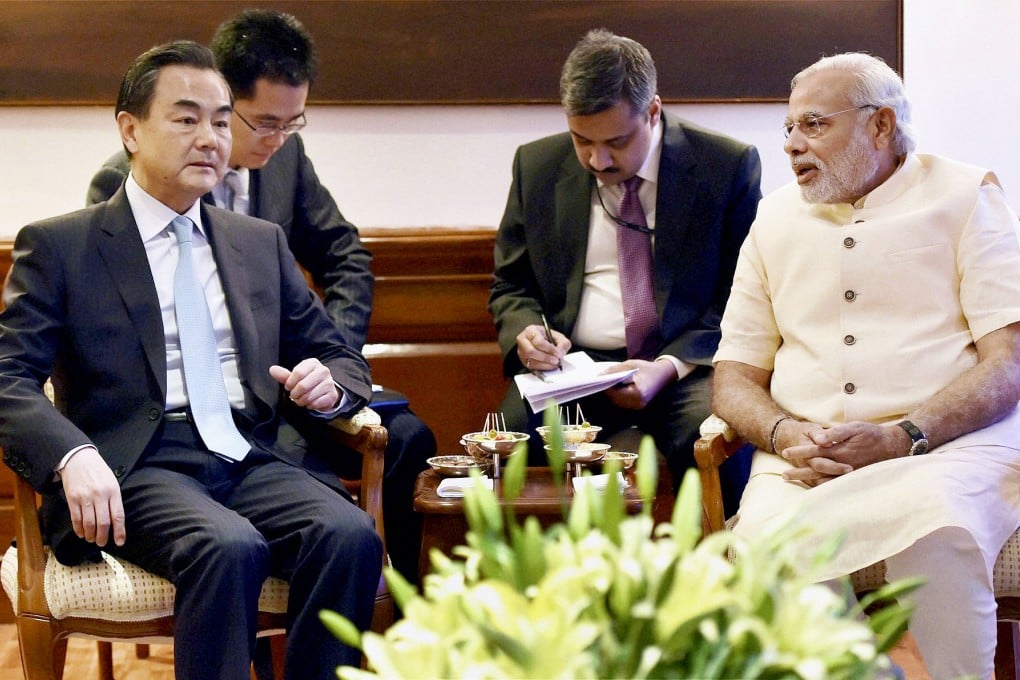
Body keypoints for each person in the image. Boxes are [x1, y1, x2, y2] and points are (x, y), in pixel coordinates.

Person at [0, 41, 382, 679]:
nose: (211, 138)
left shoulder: (258, 243)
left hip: (245, 451)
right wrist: (72, 454)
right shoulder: (63, 245)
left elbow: (339, 355)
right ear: (130, 129)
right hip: (134, 464)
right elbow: (8, 378)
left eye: (221, 119)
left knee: (349, 536)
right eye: (185, 119)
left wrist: (332, 386)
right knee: (227, 547)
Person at [86, 9, 434, 584]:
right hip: (199, 413)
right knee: (239, 525)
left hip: (292, 386)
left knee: (407, 440)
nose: (276, 139)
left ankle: (396, 616)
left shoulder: (285, 160)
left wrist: (327, 358)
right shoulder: (127, 182)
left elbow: (344, 254)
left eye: (292, 123)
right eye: (264, 123)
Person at [712, 52, 1020, 678]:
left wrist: (903, 436)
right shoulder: (772, 217)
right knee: (770, 555)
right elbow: (734, 377)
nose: (794, 145)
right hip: (807, 457)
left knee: (938, 537)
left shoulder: (965, 195)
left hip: (944, 450)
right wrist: (784, 434)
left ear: (880, 126)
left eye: (815, 125)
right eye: (789, 129)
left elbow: (1008, 361)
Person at [489, 29, 761, 499]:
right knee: (510, 438)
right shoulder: (536, 166)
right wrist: (528, 333)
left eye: (616, 141)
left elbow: (740, 297)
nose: (597, 159)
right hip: (575, 371)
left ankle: (724, 566)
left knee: (713, 437)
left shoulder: (725, 165)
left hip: (685, 367)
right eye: (581, 140)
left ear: (653, 111)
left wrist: (669, 366)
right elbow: (512, 286)